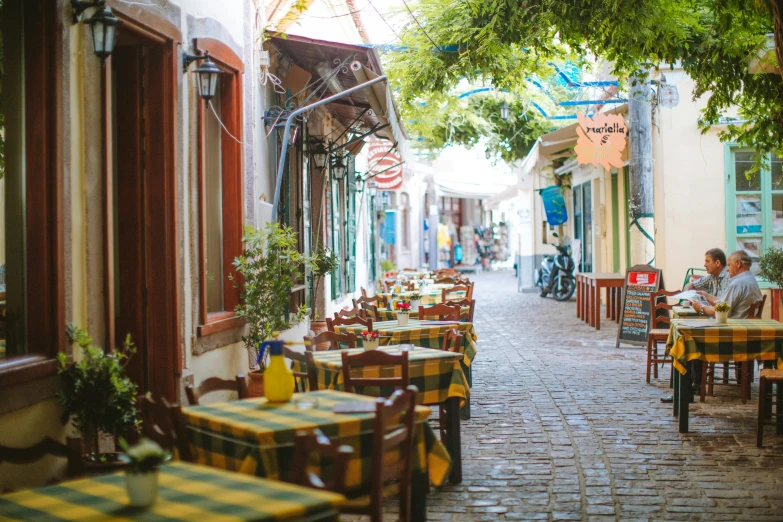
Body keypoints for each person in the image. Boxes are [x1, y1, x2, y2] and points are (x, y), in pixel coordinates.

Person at [693, 250, 762, 319]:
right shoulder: (751, 280)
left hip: (733, 327)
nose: (727, 269)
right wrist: (707, 296)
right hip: (745, 325)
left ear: (738, 263)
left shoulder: (737, 284)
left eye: (729, 265)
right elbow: (726, 304)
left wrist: (702, 307)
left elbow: (720, 312)